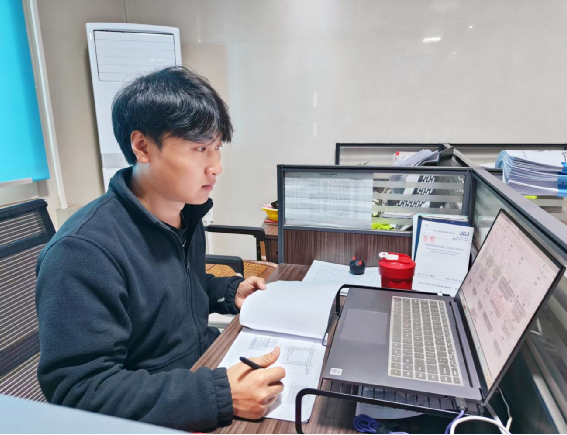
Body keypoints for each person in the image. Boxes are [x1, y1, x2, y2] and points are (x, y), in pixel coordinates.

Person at [35, 66, 286, 432]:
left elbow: (167, 286)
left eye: (217, 148)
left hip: (200, 370)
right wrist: (219, 395)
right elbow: (79, 390)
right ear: (142, 147)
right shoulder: (82, 252)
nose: (216, 167)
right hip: (160, 414)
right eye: (199, 148)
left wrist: (228, 291)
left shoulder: (182, 215)